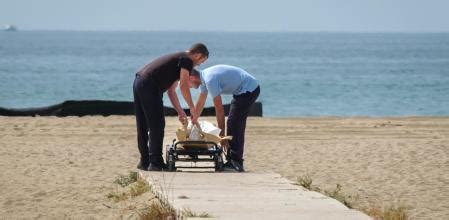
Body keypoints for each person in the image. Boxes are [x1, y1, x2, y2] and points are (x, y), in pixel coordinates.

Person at [133, 43, 209, 171]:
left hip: (139, 81)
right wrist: (192, 107)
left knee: (143, 125)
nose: (198, 65)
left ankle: (144, 161)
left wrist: (180, 111)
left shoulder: (177, 60)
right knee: (157, 124)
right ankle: (155, 162)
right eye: (200, 62)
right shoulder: (186, 60)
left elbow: (172, 91)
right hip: (150, 85)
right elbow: (184, 86)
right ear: (197, 55)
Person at [189, 64, 260, 172]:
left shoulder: (209, 80)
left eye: (186, 83)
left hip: (249, 89)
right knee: (234, 121)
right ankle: (233, 160)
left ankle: (236, 161)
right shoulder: (204, 78)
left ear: (192, 77)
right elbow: (201, 101)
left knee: (234, 123)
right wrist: (193, 121)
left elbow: (219, 109)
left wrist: (221, 136)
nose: (187, 86)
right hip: (243, 90)